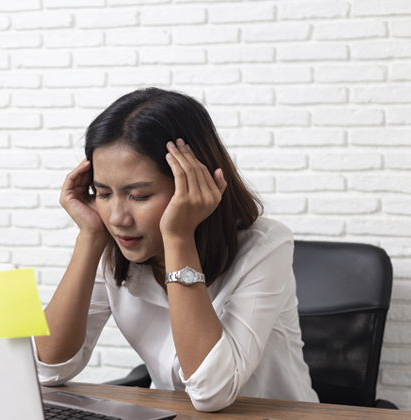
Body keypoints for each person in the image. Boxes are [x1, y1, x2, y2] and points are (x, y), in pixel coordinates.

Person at [32, 88, 319, 412]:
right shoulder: (117, 246)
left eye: (139, 196)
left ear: (195, 184)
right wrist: (90, 236)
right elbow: (46, 370)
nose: (117, 218)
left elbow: (212, 393)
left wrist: (179, 237)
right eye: (103, 193)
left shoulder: (266, 246)